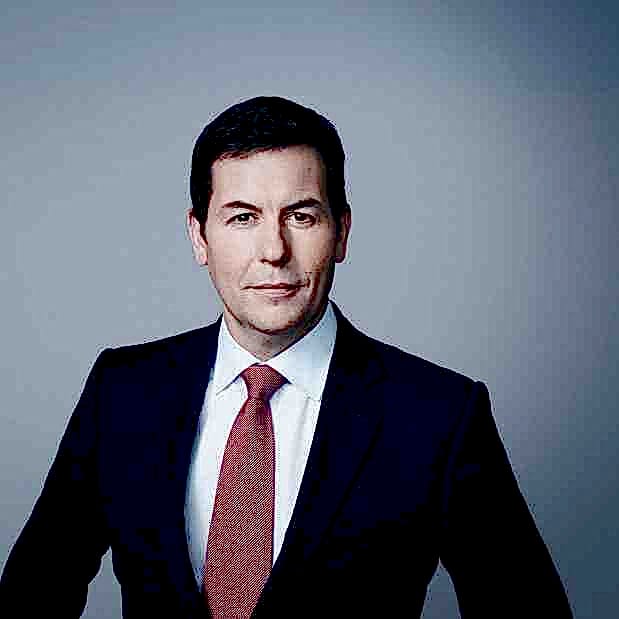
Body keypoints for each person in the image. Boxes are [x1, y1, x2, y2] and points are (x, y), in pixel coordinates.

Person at [0, 96, 572, 618]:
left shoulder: (440, 415)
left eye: (301, 215)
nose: (273, 250)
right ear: (199, 237)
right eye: (242, 217)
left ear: (341, 232)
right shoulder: (122, 392)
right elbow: (30, 597)